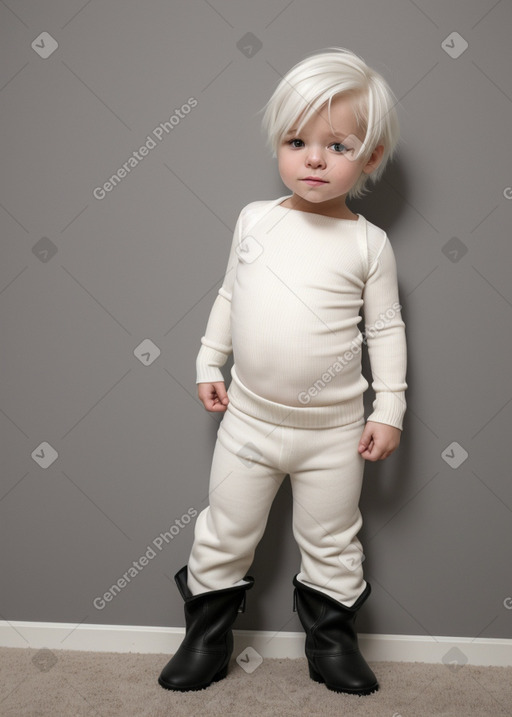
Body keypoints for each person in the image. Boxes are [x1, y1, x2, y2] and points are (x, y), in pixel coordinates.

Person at [158, 46, 407, 696]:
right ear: (279, 144)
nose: (315, 158)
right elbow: (230, 295)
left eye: (338, 144)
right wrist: (208, 358)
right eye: (297, 141)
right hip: (248, 421)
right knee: (225, 529)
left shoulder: (366, 243)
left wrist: (389, 409)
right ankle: (206, 639)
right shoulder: (256, 219)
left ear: (371, 158)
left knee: (332, 538)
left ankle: (332, 643)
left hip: (333, 433)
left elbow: (384, 330)